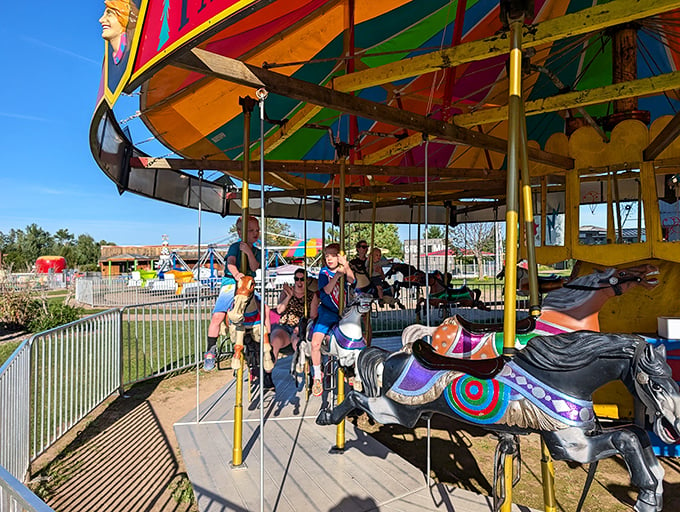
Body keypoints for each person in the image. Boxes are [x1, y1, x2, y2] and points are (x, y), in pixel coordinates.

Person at [204, 216, 271, 385]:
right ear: (240, 233)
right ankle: (210, 350)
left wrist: (249, 251)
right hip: (232, 282)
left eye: (257, 230)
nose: (255, 233)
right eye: (251, 230)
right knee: (218, 316)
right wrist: (236, 275)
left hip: (248, 284)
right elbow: (231, 263)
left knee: (265, 310)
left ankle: (266, 346)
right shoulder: (235, 247)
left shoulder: (257, 250)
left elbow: (255, 267)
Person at [310, 243, 355, 396]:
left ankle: (353, 370)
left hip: (344, 313)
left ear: (339, 256)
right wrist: (337, 275)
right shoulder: (323, 273)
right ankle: (317, 375)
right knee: (315, 343)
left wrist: (346, 266)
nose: (329, 258)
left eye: (333, 255)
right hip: (328, 312)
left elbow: (352, 280)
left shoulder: (343, 269)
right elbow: (328, 290)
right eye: (326, 255)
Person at [269, 268, 319, 365]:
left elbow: (313, 316)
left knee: (297, 342)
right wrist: (289, 296)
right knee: (275, 340)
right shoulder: (287, 292)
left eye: (302, 279)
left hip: (300, 326)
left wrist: (302, 326)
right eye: (297, 279)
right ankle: (268, 371)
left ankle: (300, 366)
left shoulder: (312, 296)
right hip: (284, 325)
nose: (299, 282)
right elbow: (279, 310)